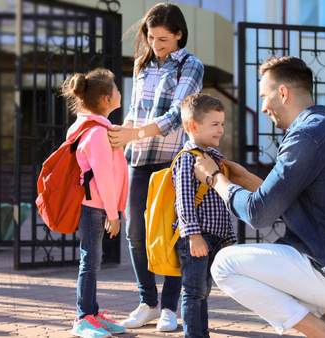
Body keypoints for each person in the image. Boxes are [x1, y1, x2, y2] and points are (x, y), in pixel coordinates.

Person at [194, 56, 325, 338]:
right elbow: (287, 200)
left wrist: (216, 179)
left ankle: (323, 334)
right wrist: (243, 179)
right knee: (275, 273)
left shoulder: (306, 136)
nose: (263, 107)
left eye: (264, 96)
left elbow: (258, 214)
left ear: (283, 93)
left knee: (225, 265)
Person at [108, 2, 204, 332]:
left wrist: (136, 132)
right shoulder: (141, 64)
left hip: (172, 159)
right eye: (151, 37)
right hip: (138, 158)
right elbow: (135, 108)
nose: (155, 45)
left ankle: (169, 308)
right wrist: (124, 135)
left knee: (171, 232)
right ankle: (147, 302)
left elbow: (178, 115)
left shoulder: (191, 65)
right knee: (136, 231)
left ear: (179, 35)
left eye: (163, 39)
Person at [61, 69, 129, 338]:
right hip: (94, 205)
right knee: (90, 261)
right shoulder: (97, 133)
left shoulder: (86, 126)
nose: (120, 92)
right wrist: (113, 213)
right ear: (105, 98)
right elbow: (103, 176)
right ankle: (83, 318)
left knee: (92, 259)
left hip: (93, 204)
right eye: (116, 89)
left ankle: (92, 312)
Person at [173, 94, 236, 338]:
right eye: (215, 124)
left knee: (203, 291)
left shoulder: (216, 159)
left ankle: (202, 333)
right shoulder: (187, 160)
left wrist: (228, 236)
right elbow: (184, 201)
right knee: (193, 291)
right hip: (197, 238)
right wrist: (193, 236)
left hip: (215, 238)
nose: (221, 130)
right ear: (193, 126)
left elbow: (224, 201)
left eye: (222, 124)